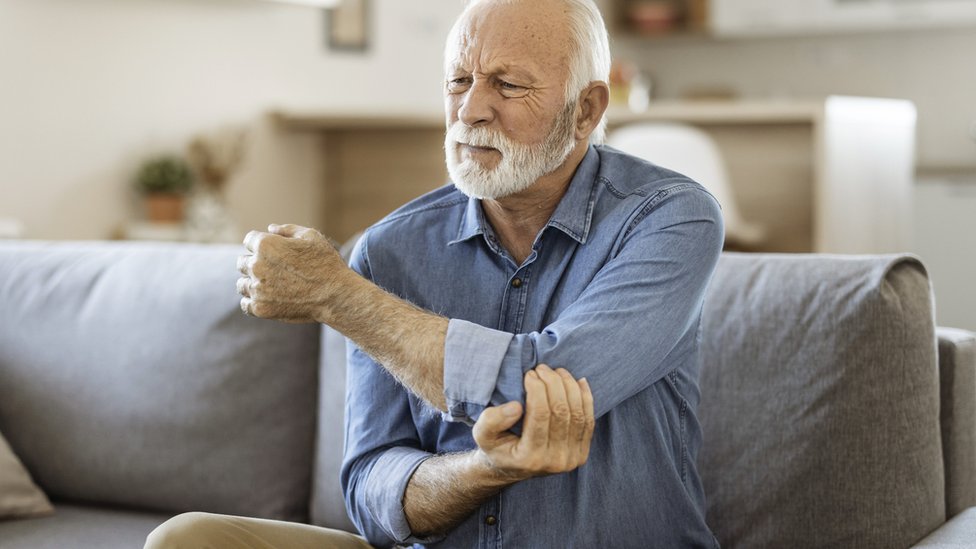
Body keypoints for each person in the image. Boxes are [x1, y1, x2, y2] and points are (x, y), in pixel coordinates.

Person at [146, 0, 723, 547]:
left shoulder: (670, 217)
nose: (470, 110)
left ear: (587, 109)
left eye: (508, 84)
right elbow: (370, 486)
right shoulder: (388, 249)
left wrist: (339, 296)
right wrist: (483, 470)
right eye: (458, 81)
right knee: (187, 539)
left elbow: (540, 387)